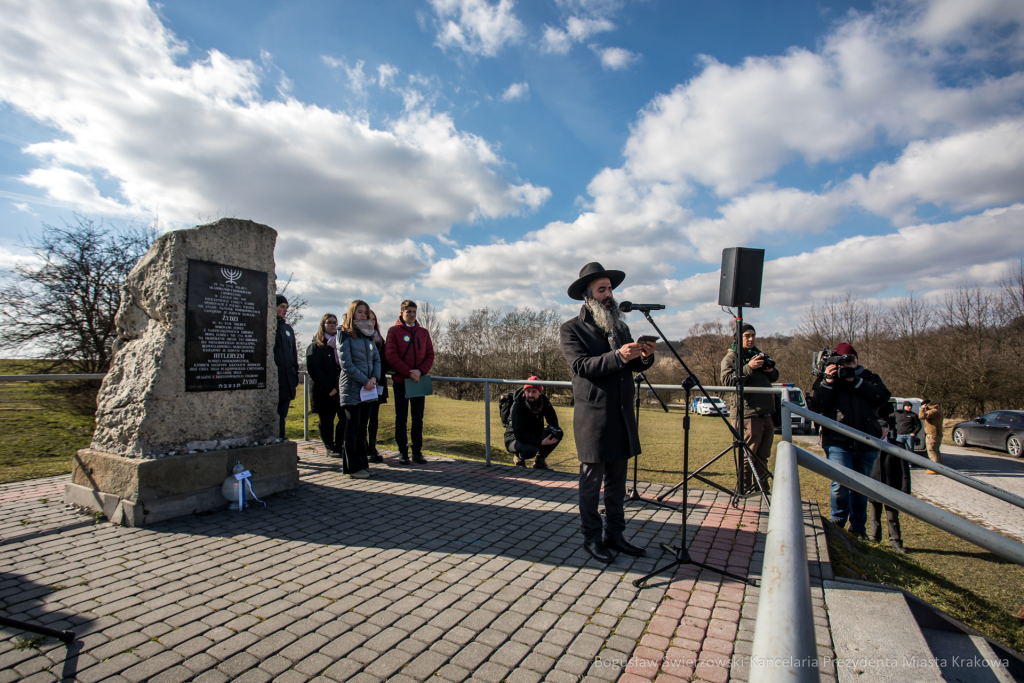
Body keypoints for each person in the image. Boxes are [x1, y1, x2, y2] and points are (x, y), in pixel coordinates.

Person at [559, 262, 655, 563]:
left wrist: (644, 357)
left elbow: (631, 364)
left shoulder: (620, 327)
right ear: (587, 296)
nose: (609, 294)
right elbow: (581, 366)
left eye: (610, 288)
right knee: (591, 483)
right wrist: (618, 356)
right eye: (602, 289)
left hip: (622, 415)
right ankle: (591, 537)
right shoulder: (571, 329)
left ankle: (615, 534)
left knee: (617, 483)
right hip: (594, 418)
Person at [810, 342, 891, 538]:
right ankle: (838, 521)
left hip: (867, 440)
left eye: (850, 360)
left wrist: (856, 381)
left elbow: (882, 398)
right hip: (837, 440)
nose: (846, 365)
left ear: (857, 360)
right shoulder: (828, 379)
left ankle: (858, 529)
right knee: (840, 483)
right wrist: (828, 381)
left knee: (861, 486)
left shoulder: (869, 378)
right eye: (842, 361)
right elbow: (817, 406)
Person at [720, 323, 779, 493]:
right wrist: (748, 368)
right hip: (747, 413)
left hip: (766, 413)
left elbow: (775, 377)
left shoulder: (758, 355)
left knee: (763, 456)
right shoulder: (731, 358)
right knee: (748, 456)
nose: (751, 339)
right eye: (747, 336)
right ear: (737, 338)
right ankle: (744, 490)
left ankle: (762, 490)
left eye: (753, 335)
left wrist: (770, 369)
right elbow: (727, 381)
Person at [385, 300, 434, 465]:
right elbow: (391, 355)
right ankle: (402, 451)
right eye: (408, 312)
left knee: (418, 418)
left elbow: (430, 354)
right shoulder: (393, 331)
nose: (412, 315)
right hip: (401, 382)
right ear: (402, 313)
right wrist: (408, 372)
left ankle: (417, 452)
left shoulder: (423, 332)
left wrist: (420, 371)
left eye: (414, 311)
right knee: (401, 418)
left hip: (418, 382)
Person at [338, 300, 381, 479]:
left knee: (363, 427)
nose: (363, 315)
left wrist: (374, 378)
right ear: (352, 313)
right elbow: (346, 364)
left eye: (365, 312)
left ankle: (363, 464)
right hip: (352, 388)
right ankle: (352, 467)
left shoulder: (368, 335)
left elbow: (376, 359)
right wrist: (365, 381)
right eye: (360, 312)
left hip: (368, 389)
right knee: (353, 427)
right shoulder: (344, 334)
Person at [870, 401, 910, 553]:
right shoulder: (870, 446)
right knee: (875, 516)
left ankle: (895, 541)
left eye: (882, 430)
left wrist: (905, 489)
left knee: (892, 517)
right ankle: (874, 538)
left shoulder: (897, 447)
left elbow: (904, 471)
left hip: (892, 487)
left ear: (887, 430)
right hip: (874, 486)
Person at [305, 313, 345, 456]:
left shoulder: (340, 344)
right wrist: (328, 387)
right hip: (324, 391)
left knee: (345, 418)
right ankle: (329, 446)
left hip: (340, 389)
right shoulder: (315, 346)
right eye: (329, 322)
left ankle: (339, 444)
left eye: (335, 322)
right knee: (327, 419)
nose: (333, 325)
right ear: (323, 325)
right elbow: (314, 369)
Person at [504, 376, 562, 470]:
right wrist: (540, 442)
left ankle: (540, 461)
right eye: (528, 391)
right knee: (530, 450)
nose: (530, 395)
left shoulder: (544, 401)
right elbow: (519, 434)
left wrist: (554, 432)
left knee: (558, 433)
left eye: (534, 392)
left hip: (535, 433)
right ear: (524, 392)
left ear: (540, 393)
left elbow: (552, 420)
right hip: (514, 438)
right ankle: (519, 458)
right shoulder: (518, 406)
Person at [273, 294, 299, 440]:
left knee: (283, 415)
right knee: (274, 416)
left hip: (287, 380)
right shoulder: (269, 327)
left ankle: (282, 439)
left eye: (286, 308)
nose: (285, 310)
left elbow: (294, 354)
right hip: (275, 379)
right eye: (281, 307)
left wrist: (294, 375)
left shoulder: (288, 329)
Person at [367, 309, 389, 463]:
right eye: (369, 319)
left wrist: (377, 378)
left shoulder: (380, 340)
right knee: (362, 417)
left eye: (374, 319)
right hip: (363, 383)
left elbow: (384, 362)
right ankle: (363, 447)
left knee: (374, 417)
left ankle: (372, 446)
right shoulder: (358, 338)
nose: (371, 322)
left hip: (378, 383)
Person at [920, 399, 944, 474]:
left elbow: (921, 416)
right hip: (937, 434)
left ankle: (935, 468)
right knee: (936, 451)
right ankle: (940, 467)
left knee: (931, 451)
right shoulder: (938, 410)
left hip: (932, 434)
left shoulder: (932, 412)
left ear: (926, 405)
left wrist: (922, 409)